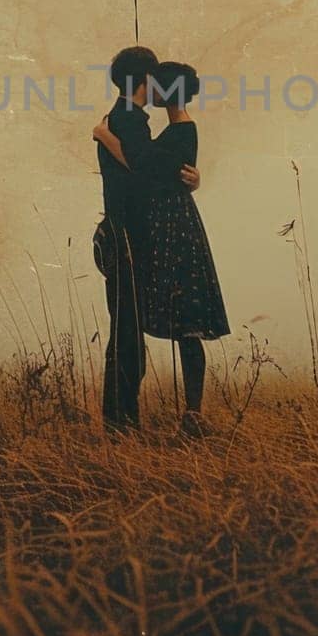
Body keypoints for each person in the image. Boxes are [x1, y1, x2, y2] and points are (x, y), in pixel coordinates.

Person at [94, 61, 228, 437]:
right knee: (186, 322)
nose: (149, 91)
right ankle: (191, 413)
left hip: (176, 230)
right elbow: (157, 168)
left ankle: (193, 413)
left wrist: (104, 136)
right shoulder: (176, 130)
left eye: (156, 86)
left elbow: (143, 164)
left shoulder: (181, 131)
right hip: (172, 228)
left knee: (187, 322)